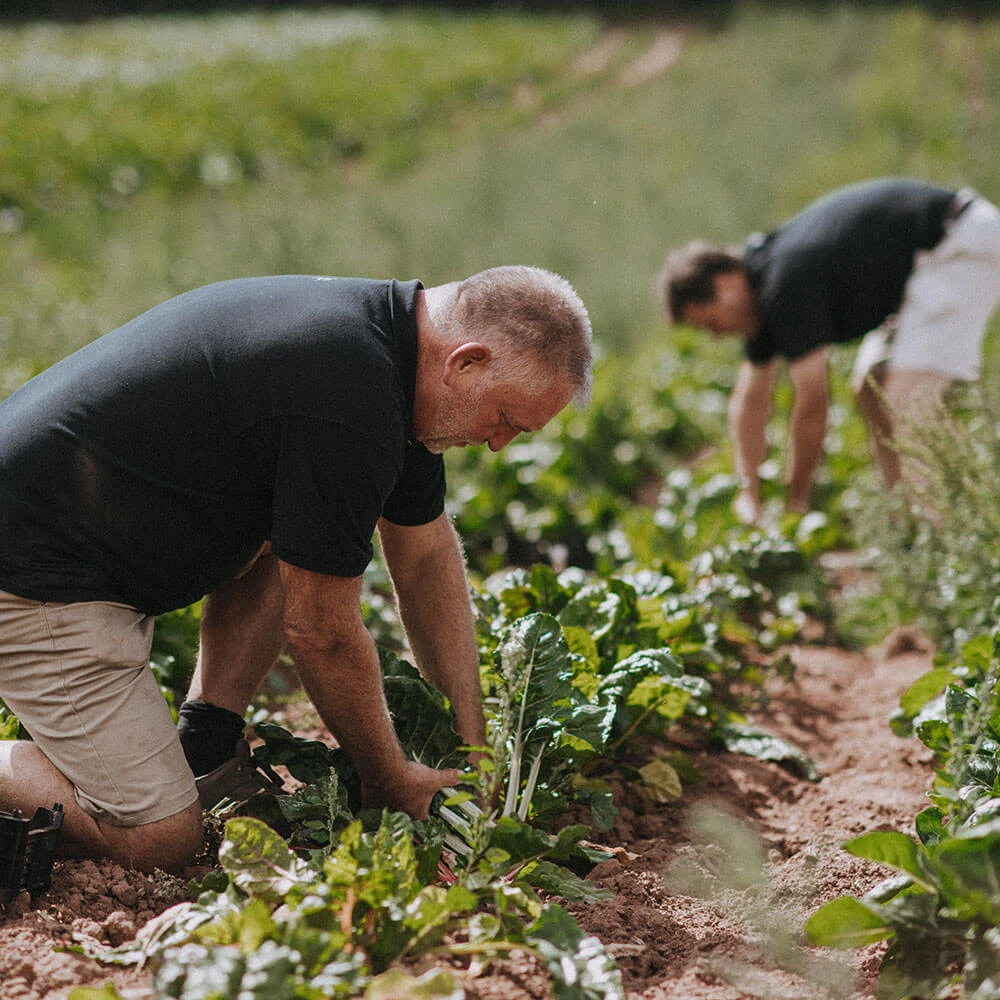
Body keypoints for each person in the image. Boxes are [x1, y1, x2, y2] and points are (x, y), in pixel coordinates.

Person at [0, 265, 593, 872]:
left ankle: (204, 741)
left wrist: (471, 750)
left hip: (73, 540)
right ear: (465, 363)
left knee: (309, 536)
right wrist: (386, 777)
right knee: (159, 839)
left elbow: (424, 561)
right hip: (36, 576)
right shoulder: (349, 397)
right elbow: (322, 631)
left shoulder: (392, 358)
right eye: (506, 420)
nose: (499, 444)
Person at [658, 178, 1000, 523]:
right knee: (873, 388)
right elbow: (749, 402)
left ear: (725, 285)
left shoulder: (782, 284)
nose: (716, 336)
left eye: (710, 323)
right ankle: (910, 524)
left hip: (955, 244)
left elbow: (813, 406)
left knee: (908, 402)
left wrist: (796, 503)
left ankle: (965, 528)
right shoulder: (761, 291)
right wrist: (749, 494)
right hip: (928, 260)